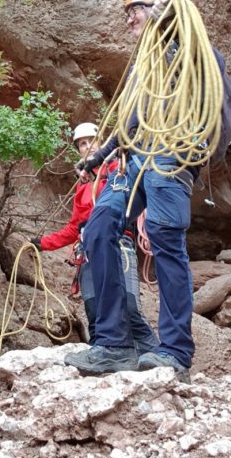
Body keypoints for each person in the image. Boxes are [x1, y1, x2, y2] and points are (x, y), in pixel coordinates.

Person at [65, 0, 231, 381]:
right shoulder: (147, 65)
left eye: (134, 10)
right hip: (137, 159)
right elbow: (132, 122)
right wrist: (98, 159)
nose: (128, 20)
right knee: (99, 227)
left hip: (172, 158)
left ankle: (175, 351)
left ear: (158, 9)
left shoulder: (199, 55)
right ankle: (114, 343)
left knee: (164, 238)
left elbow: (207, 104)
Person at [32, 122, 158, 356]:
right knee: (94, 310)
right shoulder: (82, 189)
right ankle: (103, 358)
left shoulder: (118, 170)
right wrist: (43, 243)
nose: (87, 146)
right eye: (82, 143)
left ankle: (155, 357)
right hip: (87, 252)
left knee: (129, 307)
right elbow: (74, 227)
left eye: (92, 140)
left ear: (102, 143)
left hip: (118, 245)